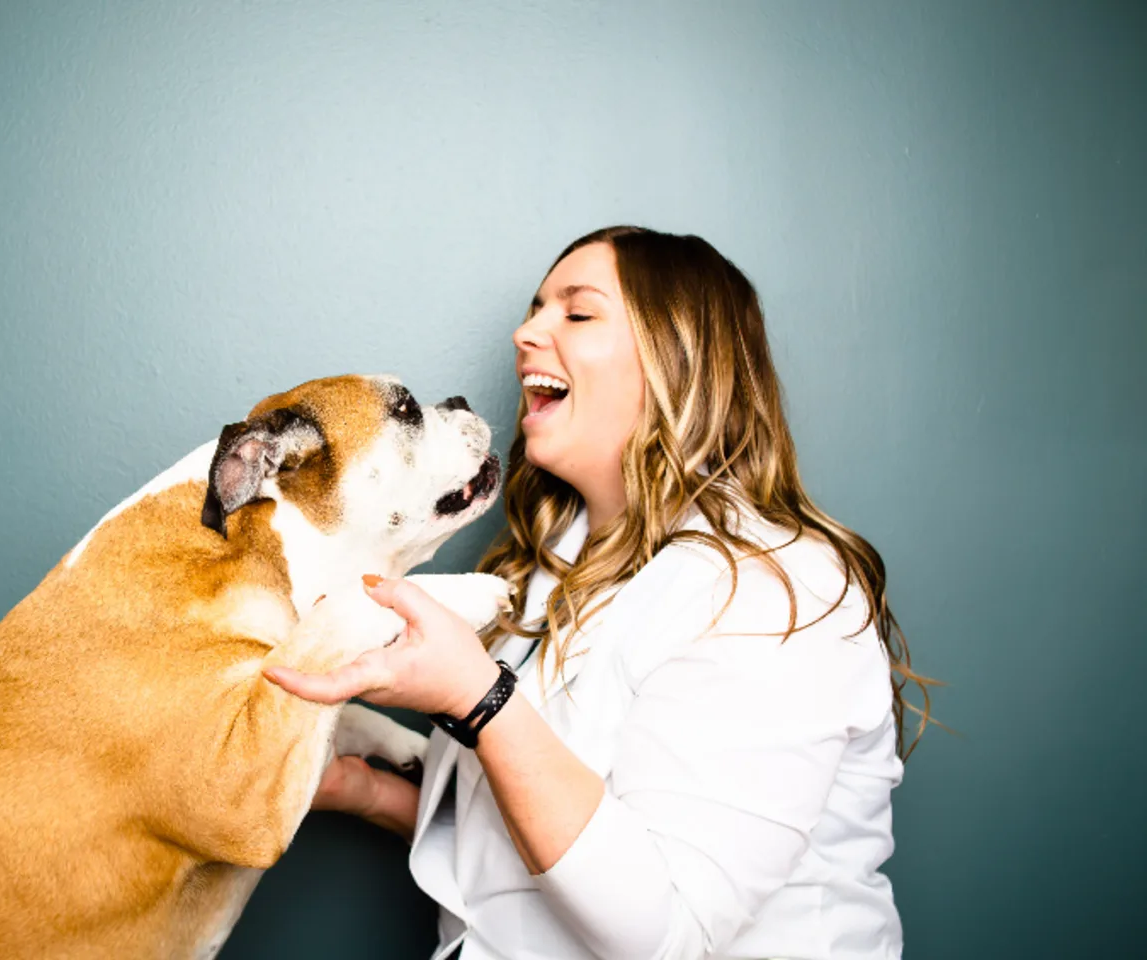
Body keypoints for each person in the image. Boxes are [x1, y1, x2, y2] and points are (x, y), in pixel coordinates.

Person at [264, 225, 933, 960]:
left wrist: (479, 698)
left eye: (577, 314)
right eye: (535, 309)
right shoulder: (551, 568)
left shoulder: (779, 591)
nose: (526, 333)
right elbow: (552, 832)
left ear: (678, 361)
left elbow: (670, 929)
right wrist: (364, 792)